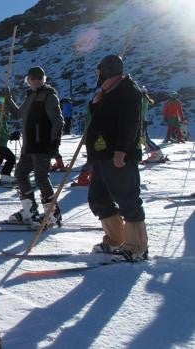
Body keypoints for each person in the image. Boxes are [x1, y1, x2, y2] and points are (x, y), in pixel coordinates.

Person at [86, 54, 148, 262]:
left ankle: (137, 247)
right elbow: (100, 119)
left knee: (127, 199)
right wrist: (95, 104)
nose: (100, 79)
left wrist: (121, 150)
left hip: (117, 155)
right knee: (98, 199)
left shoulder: (129, 91)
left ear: (110, 73)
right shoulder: (108, 92)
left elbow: (130, 124)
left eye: (102, 75)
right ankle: (115, 240)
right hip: (101, 155)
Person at [3, 66, 64, 227]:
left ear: (42, 79)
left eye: (38, 78)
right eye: (32, 78)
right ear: (29, 80)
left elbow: (58, 122)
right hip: (29, 146)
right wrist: (7, 99)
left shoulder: (49, 96)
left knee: (41, 178)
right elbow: (18, 114)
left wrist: (54, 145)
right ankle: (30, 210)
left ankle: (53, 214)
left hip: (42, 146)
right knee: (20, 174)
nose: (35, 81)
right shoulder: (30, 96)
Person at [140, 86, 165, 163]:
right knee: (144, 139)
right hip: (142, 121)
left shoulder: (142, 99)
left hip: (141, 121)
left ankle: (157, 153)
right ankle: (156, 153)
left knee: (144, 139)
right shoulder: (145, 99)